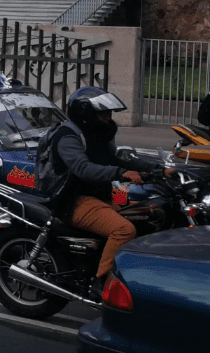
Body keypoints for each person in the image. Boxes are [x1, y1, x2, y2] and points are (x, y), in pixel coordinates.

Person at [44, 87, 173, 298]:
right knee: (124, 230)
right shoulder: (67, 136)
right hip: (75, 200)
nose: (107, 118)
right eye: (102, 114)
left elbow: (118, 159)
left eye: (109, 114)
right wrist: (121, 173)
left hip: (101, 196)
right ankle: (102, 281)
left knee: (149, 215)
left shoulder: (97, 135)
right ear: (85, 113)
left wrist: (158, 169)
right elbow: (82, 168)